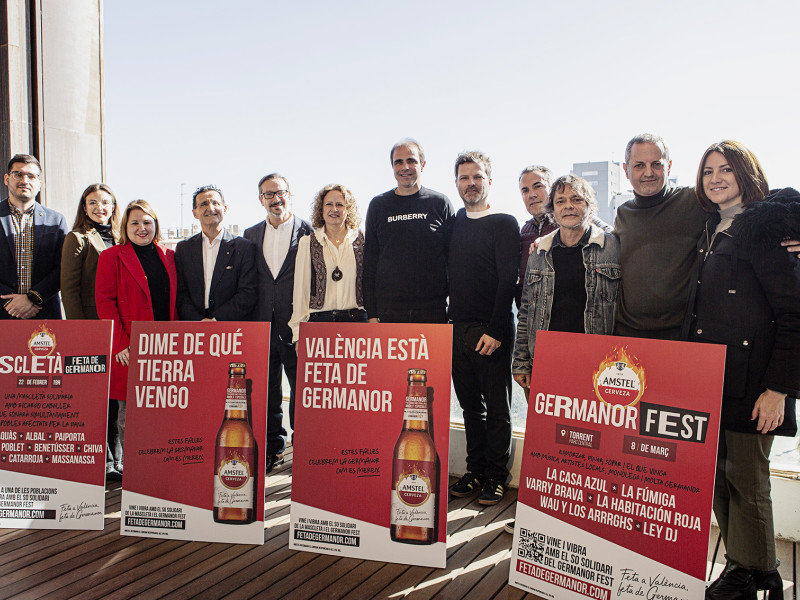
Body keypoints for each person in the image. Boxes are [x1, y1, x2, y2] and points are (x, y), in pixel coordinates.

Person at [683, 141, 800, 600]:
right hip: (711, 378)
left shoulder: (766, 227)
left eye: (726, 169)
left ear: (746, 174)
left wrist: (779, 389)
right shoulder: (710, 227)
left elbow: (794, 313)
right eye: (708, 170)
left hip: (754, 382)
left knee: (749, 482)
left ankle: (752, 572)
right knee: (719, 478)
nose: (715, 178)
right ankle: (749, 567)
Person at [447, 151, 520, 506]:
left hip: (491, 331)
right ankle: (474, 470)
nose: (471, 183)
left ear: (489, 180)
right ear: (457, 183)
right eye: (464, 178)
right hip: (455, 329)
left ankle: (495, 477)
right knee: (469, 409)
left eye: (477, 177)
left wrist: (495, 330)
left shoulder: (505, 222)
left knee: (497, 409)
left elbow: (508, 279)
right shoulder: (454, 223)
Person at [95, 200, 177, 475]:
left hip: (167, 347)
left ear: (155, 224)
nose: (142, 228)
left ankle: (160, 468)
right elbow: (105, 302)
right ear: (125, 227)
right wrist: (119, 343)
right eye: (135, 223)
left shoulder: (169, 255)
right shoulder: (112, 257)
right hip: (130, 346)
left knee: (165, 410)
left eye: (147, 222)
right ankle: (135, 472)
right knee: (130, 414)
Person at [244, 173, 312, 473]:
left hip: (297, 326)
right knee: (268, 392)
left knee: (302, 392)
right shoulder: (249, 235)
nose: (275, 199)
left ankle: (305, 449)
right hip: (261, 326)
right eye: (268, 194)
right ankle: (274, 448)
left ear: (290, 194)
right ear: (261, 199)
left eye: (280, 192)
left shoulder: (309, 232)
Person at [614, 134, 708, 340]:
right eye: (639, 165)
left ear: (669, 166)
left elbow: (747, 198)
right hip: (626, 334)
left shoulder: (694, 200)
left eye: (656, 164)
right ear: (626, 170)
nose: (648, 173)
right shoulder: (623, 213)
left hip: (680, 336)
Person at [60, 183, 122, 479]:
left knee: (115, 398)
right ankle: (104, 459)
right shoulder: (77, 238)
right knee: (98, 399)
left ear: (114, 206)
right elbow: (69, 289)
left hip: (119, 330)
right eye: (93, 202)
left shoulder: (123, 238)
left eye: (106, 202)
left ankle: (117, 456)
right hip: (92, 330)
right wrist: (81, 334)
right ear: (84, 207)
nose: (100, 207)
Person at [363, 138, 455, 324]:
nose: (405, 167)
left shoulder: (440, 203)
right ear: (393, 167)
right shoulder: (378, 205)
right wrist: (371, 313)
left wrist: (453, 311)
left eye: (411, 161)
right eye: (399, 162)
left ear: (422, 164)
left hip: (433, 312)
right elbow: (370, 262)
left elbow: (454, 262)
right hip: (390, 313)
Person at [289, 184, 367, 342]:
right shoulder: (307, 242)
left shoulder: (363, 239)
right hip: (319, 323)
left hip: (357, 322)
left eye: (340, 204)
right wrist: (298, 335)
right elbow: (300, 292)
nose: (334, 209)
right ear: (321, 209)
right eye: (329, 204)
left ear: (348, 209)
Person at [175, 185, 257, 322]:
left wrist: (216, 321)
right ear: (194, 212)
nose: (210, 208)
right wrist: (199, 321)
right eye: (204, 204)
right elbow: (181, 294)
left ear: (224, 209)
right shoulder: (184, 248)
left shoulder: (243, 247)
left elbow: (247, 293)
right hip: (194, 328)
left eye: (215, 203)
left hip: (230, 328)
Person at [1, 154, 68, 319]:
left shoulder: (56, 220)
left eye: (31, 176)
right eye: (18, 174)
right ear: (7, 179)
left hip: (42, 311)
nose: (25, 180)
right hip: (2, 310)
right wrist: (9, 301)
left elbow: (64, 267)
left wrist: (32, 298)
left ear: (39, 183)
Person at [516, 166, 557, 307]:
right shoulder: (524, 230)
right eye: (525, 190)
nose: (531, 195)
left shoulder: (568, 225)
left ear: (552, 189)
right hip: (528, 319)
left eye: (538, 186)